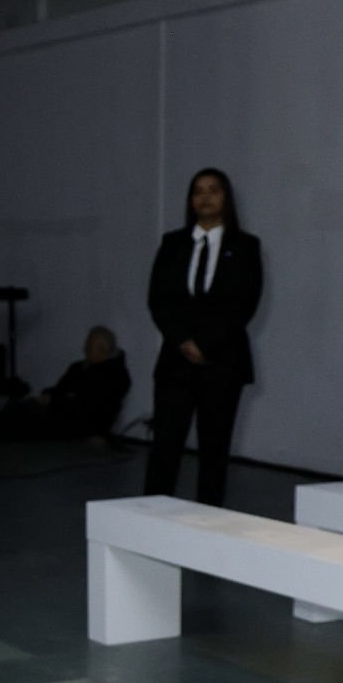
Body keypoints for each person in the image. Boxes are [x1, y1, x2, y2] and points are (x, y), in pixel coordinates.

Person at [145, 168, 263, 506]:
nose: (205, 197)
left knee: (214, 449)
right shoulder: (173, 243)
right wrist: (184, 341)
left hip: (223, 363)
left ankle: (209, 520)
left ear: (226, 197)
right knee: (165, 446)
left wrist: (207, 344)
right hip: (176, 362)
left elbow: (245, 302)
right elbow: (158, 300)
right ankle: (151, 516)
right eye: (198, 191)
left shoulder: (245, 246)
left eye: (213, 190)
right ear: (190, 200)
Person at [33, 326, 131, 444]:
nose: (84, 348)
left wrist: (57, 400)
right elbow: (61, 389)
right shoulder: (77, 368)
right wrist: (48, 395)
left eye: (89, 346)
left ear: (103, 349)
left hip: (85, 426)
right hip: (62, 415)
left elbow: (92, 406)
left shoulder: (116, 376)